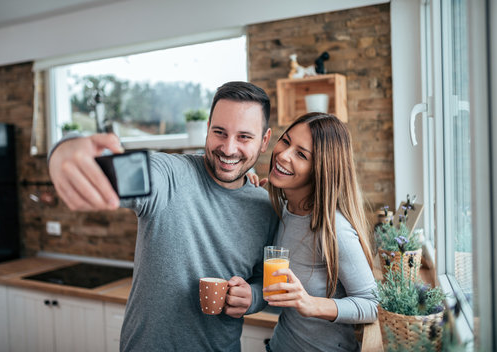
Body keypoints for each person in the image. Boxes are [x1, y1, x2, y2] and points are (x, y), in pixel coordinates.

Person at [48, 81, 279, 351]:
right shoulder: (169, 174)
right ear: (207, 128)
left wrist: (251, 297)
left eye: (244, 137)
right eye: (219, 132)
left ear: (264, 140)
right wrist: (64, 151)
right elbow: (113, 172)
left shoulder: (266, 208)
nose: (228, 149)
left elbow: (267, 281)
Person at [259, 112, 377, 352]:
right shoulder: (283, 209)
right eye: (285, 140)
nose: (282, 155)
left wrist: (311, 304)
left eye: (301, 154)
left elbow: (372, 305)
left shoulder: (334, 228)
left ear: (321, 169)